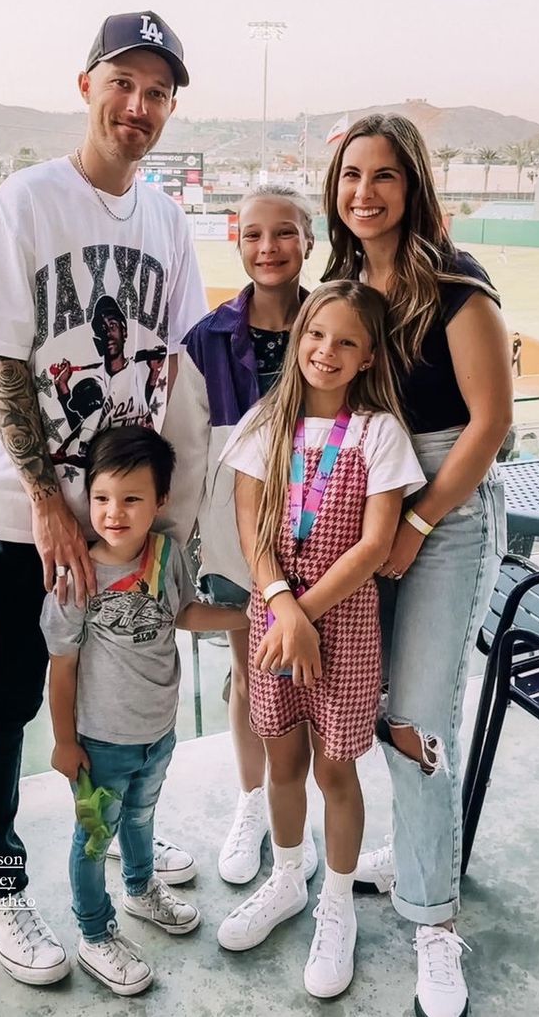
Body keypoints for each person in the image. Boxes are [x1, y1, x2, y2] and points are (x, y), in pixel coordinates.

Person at [0, 10, 207, 985]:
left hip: (128, 529)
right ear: (86, 86)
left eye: (158, 93)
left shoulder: (169, 220)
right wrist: (45, 501)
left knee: (121, 705)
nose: (138, 106)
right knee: (14, 695)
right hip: (34, 522)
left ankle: (127, 849)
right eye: (124, 83)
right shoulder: (25, 204)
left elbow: (189, 368)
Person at [323, 114, 511, 1017]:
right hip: (373, 507)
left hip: (447, 507)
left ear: (414, 185)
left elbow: (489, 424)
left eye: (383, 176)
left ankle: (435, 924)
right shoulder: (344, 285)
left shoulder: (457, 283)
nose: (364, 192)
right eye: (351, 175)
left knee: (418, 718)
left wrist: (420, 523)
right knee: (374, 706)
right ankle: (418, 852)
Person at [217, 282, 426, 998]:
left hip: (344, 624)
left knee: (335, 772)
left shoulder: (379, 435)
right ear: (298, 335)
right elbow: (251, 530)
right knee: (283, 763)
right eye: (315, 335)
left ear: (369, 356)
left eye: (345, 342)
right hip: (277, 616)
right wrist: (283, 606)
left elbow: (374, 546)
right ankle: (286, 878)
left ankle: (336, 904)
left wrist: (304, 614)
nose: (325, 352)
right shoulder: (263, 424)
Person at [44, 426, 247, 996]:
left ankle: (139, 889)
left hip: (157, 734)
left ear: (160, 501)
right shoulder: (77, 577)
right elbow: (61, 665)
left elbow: (183, 614)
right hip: (100, 744)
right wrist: (64, 742)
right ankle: (93, 932)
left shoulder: (166, 553)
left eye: (132, 499)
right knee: (91, 839)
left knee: (138, 820)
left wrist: (248, 617)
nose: (114, 512)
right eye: (103, 498)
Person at [160, 184, 318, 886]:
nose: (268, 248)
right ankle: (255, 803)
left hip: (325, 542)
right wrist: (176, 541)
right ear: (238, 242)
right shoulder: (208, 336)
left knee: (319, 680)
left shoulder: (337, 321)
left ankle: (305, 812)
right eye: (254, 235)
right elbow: (185, 446)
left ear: (308, 242)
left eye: (284, 233)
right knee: (253, 676)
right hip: (234, 541)